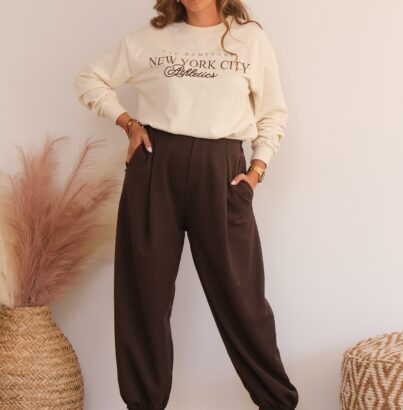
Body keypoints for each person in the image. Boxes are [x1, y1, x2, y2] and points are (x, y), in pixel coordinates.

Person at [73, 1, 299, 409]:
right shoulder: (149, 39)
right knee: (145, 294)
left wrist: (257, 169)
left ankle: (278, 402)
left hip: (223, 172)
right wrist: (129, 124)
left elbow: (272, 113)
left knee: (243, 299)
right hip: (156, 166)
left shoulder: (249, 39)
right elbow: (90, 79)